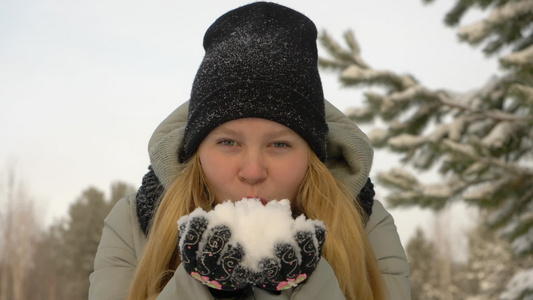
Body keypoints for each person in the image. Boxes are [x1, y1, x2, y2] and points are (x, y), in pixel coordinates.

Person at [89, 2, 410, 300]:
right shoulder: (135, 222)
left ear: (312, 155)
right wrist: (202, 287)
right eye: (228, 143)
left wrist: (307, 283)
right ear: (197, 150)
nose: (253, 171)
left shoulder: (365, 224)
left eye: (280, 145)